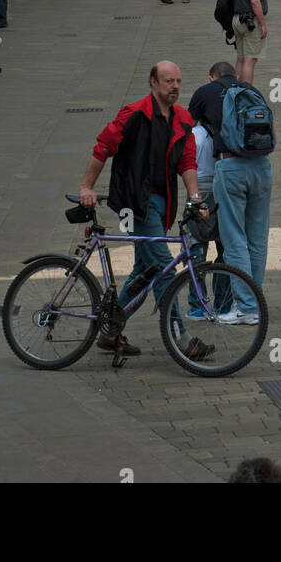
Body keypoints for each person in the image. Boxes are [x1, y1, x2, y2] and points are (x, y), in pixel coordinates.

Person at [79, 62, 212, 362]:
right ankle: (181, 338)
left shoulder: (182, 118)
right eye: (168, 81)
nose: (175, 86)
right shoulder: (134, 114)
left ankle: (110, 330)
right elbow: (103, 147)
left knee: (146, 268)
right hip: (133, 203)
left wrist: (195, 199)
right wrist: (87, 186)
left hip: (162, 202)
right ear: (153, 82)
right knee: (164, 268)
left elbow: (187, 161)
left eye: (178, 81)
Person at [211, 63, 273, 324]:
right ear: (235, 76)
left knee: (234, 238)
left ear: (212, 77)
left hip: (231, 166)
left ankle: (246, 307)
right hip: (262, 166)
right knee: (257, 240)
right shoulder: (252, 91)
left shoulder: (208, 92)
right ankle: (255, 303)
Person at [185, 62, 237, 319]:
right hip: (223, 184)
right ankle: (223, 304)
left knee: (196, 248)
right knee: (224, 247)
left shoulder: (193, 134)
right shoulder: (225, 132)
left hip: (198, 188)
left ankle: (197, 306)